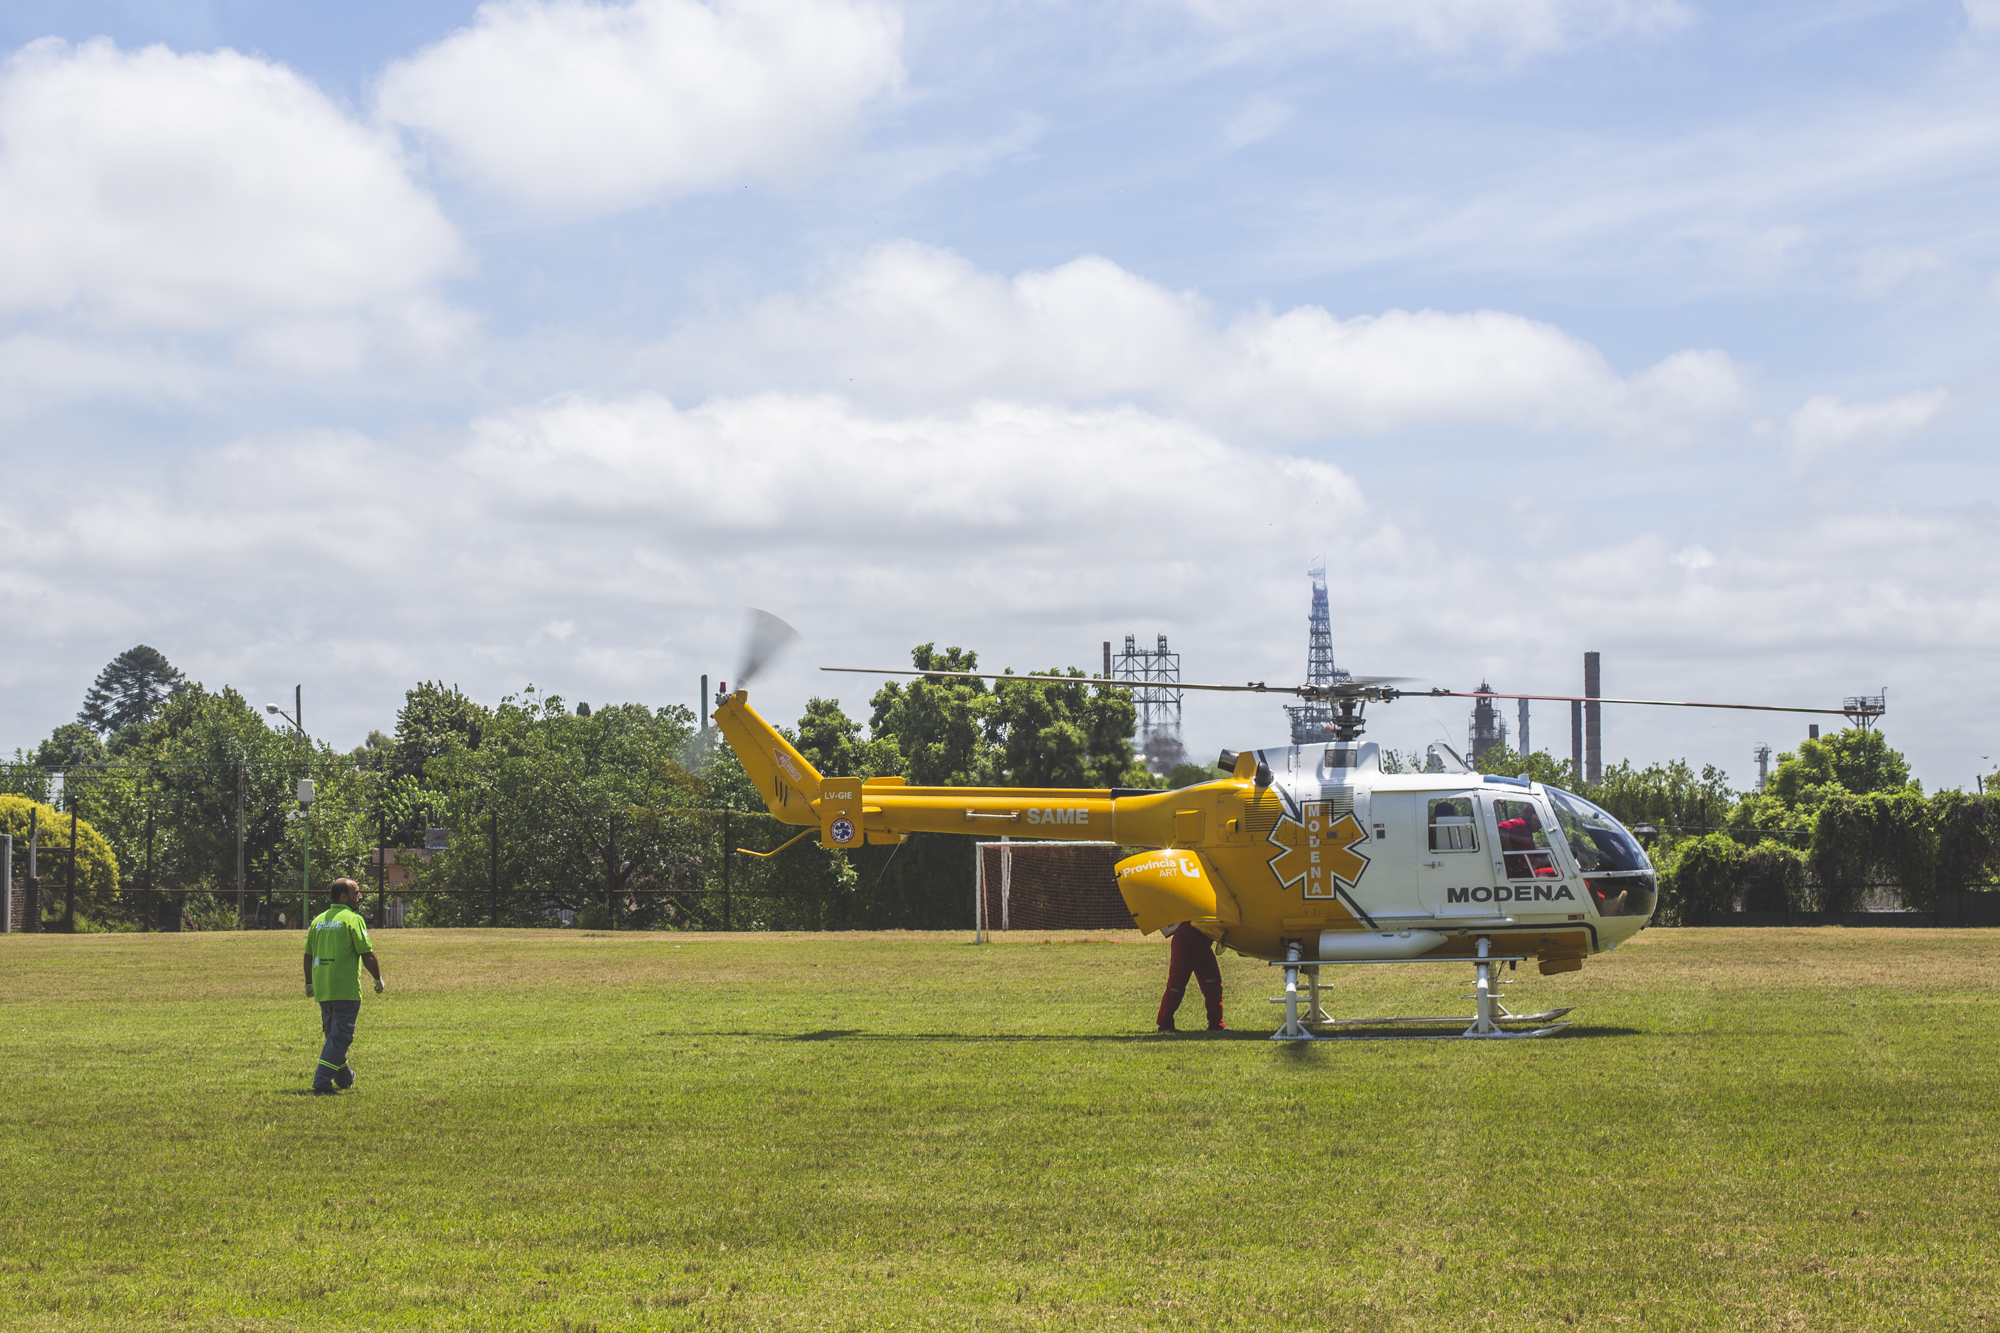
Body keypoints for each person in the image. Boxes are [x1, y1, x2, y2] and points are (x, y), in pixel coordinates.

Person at [303, 878, 383, 1095]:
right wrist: (378, 979)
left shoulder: (318, 920)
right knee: (341, 1038)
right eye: (356, 892)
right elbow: (367, 954)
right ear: (343, 896)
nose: (361, 896)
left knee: (333, 1037)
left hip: (324, 989)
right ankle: (321, 1082)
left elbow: (308, 955)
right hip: (345, 990)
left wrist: (309, 983)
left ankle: (345, 1078)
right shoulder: (353, 919)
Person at [1156, 922, 1225, 1033]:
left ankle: (1216, 1024)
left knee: (1213, 983)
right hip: (1187, 940)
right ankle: (1165, 1023)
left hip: (1203, 941)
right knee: (1176, 986)